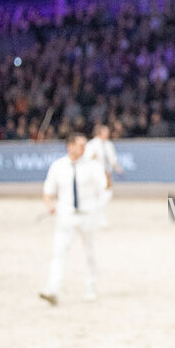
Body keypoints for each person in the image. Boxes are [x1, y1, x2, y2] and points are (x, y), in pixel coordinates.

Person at [39, 133, 108, 305]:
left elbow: (104, 186)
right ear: (69, 146)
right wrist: (50, 205)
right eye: (80, 145)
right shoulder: (58, 166)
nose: (84, 149)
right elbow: (48, 191)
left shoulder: (92, 166)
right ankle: (52, 289)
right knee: (58, 253)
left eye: (85, 145)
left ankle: (90, 287)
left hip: (87, 215)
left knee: (89, 253)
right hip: (66, 216)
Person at [84, 124, 123, 227]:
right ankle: (98, 218)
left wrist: (117, 167)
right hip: (96, 173)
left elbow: (112, 159)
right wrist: (92, 157)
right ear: (100, 133)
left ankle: (97, 212)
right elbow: (86, 159)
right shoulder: (91, 145)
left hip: (107, 173)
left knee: (107, 194)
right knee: (97, 194)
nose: (108, 134)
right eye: (105, 132)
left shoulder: (109, 144)